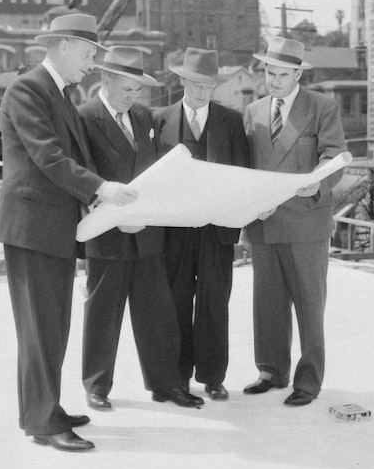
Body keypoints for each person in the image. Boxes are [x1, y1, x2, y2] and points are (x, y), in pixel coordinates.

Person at [0, 13, 138, 452]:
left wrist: (102, 201)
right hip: (33, 229)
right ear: (64, 46)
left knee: (53, 326)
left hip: (51, 229)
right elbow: (49, 158)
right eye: (90, 53)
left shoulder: (57, 93)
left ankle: (47, 408)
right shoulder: (28, 90)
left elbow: (72, 160)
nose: (92, 63)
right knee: (40, 328)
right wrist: (101, 188)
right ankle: (42, 421)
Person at [78, 47, 203, 410]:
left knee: (157, 314)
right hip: (108, 234)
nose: (132, 97)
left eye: (136, 91)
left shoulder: (145, 117)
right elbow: (80, 172)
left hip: (147, 236)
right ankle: (97, 386)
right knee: (103, 313)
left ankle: (165, 385)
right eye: (126, 89)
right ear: (105, 80)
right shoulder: (85, 118)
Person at [241, 36, 347, 407]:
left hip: (306, 222)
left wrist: (317, 182)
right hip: (265, 222)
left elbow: (335, 155)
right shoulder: (253, 111)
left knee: (309, 304)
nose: (273, 80)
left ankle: (308, 380)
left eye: (282, 74)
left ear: (298, 73)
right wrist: (249, 210)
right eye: (269, 72)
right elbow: (247, 168)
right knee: (267, 303)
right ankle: (271, 371)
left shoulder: (322, 107)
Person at [153, 48, 250, 400]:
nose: (201, 91)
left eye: (208, 84)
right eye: (194, 83)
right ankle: (178, 376)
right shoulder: (159, 120)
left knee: (213, 302)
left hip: (216, 231)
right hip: (174, 232)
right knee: (175, 302)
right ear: (181, 81)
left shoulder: (232, 121)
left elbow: (242, 175)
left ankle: (213, 376)